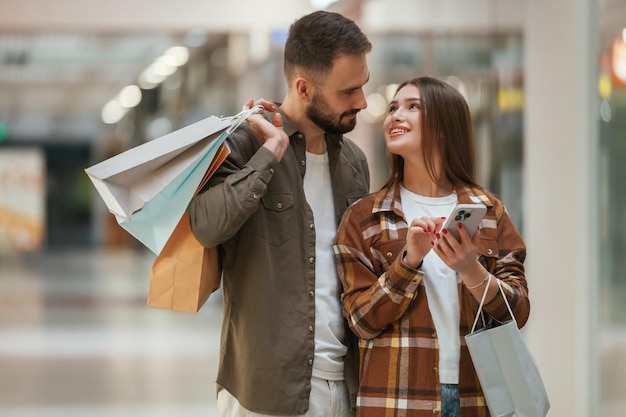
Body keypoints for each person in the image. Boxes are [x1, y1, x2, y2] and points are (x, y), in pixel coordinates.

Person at [187, 10, 372, 417]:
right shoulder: (242, 143)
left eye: (364, 86)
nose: (361, 101)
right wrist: (269, 154)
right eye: (348, 91)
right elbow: (204, 226)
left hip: (346, 384)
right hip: (266, 387)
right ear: (304, 87)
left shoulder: (355, 161)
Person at [333, 76, 530, 417]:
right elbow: (360, 321)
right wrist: (408, 262)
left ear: (444, 126)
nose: (396, 115)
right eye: (393, 107)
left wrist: (471, 268)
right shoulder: (364, 218)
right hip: (397, 400)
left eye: (412, 107)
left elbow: (519, 311)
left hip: (478, 396)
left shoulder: (488, 212)